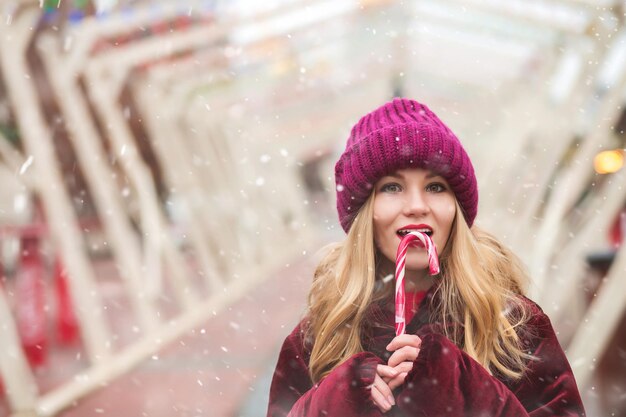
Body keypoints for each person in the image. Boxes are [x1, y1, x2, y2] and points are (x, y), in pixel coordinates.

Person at [266, 98, 586, 416]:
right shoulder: (321, 332)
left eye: (435, 187)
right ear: (365, 213)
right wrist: (331, 401)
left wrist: (461, 384)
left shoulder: (513, 323)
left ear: (456, 209)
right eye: (392, 187)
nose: (417, 206)